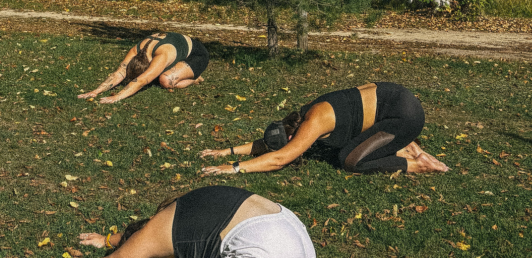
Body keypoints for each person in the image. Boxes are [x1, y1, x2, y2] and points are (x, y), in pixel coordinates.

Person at [201, 81, 449, 175]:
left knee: (350, 160)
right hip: (394, 96)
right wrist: (227, 151)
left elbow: (279, 158)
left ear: (293, 135)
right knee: (357, 141)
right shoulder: (306, 113)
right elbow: (270, 146)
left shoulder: (314, 123)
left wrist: (233, 168)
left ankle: (418, 163)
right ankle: (404, 143)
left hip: (405, 116)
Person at [79, 186, 315, 258]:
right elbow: (142, 235)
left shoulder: (171, 227)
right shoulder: (191, 216)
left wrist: (111, 242)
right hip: (292, 235)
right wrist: (108, 239)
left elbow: (138, 241)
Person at [77, 32, 209, 103]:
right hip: (176, 51)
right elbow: (120, 72)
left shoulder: (161, 56)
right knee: (157, 77)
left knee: (165, 80)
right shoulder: (137, 50)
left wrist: (117, 97)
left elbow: (140, 81)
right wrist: (95, 91)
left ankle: (195, 78)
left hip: (197, 55)